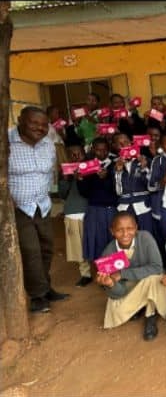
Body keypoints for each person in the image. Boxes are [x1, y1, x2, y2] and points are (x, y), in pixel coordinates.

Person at [8, 106, 70, 312]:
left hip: (42, 205)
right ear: (20, 120)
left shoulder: (48, 144)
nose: (40, 128)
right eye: (34, 123)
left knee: (46, 248)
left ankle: (45, 287)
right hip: (18, 208)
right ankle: (37, 296)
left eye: (44, 125)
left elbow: (49, 173)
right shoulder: (6, 143)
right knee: (30, 250)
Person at [96, 212, 166, 341]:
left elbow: (157, 267)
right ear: (112, 231)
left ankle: (150, 314)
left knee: (154, 278)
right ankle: (140, 305)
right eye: (119, 230)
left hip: (149, 281)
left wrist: (123, 273)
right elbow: (117, 293)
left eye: (130, 229)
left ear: (136, 228)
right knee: (116, 313)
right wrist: (110, 284)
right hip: (129, 288)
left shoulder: (145, 238)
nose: (125, 234)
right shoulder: (107, 254)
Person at [77, 137, 118, 264]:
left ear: (108, 149)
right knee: (98, 240)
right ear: (93, 150)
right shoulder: (88, 166)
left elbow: (118, 189)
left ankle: (115, 269)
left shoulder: (115, 164)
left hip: (112, 209)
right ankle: (103, 270)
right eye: (98, 150)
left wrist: (108, 177)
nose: (102, 153)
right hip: (94, 208)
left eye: (105, 150)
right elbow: (84, 192)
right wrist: (81, 180)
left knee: (113, 239)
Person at [58, 144, 91, 287]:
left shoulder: (92, 168)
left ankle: (105, 271)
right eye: (72, 155)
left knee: (95, 243)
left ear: (85, 155)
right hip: (72, 212)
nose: (76, 157)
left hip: (90, 211)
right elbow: (62, 195)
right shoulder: (67, 173)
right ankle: (86, 274)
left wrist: (83, 177)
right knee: (78, 247)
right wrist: (65, 179)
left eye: (79, 154)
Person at [114, 134, 153, 235]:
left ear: (131, 143)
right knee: (127, 237)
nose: (124, 145)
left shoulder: (144, 160)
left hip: (143, 207)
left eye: (126, 142)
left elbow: (151, 185)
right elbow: (118, 192)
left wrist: (144, 168)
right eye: (120, 144)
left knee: (146, 236)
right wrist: (118, 172)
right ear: (115, 146)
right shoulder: (115, 164)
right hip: (124, 208)